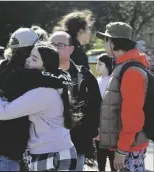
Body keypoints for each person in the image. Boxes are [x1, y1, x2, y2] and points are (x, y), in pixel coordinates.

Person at [0, 42, 77, 171]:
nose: (27, 60)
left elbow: (3, 112)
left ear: (45, 67)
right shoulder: (55, 85)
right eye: (29, 56)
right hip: (62, 150)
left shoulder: (42, 93)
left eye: (34, 59)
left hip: (49, 154)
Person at [97, 22, 149, 171]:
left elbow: (133, 116)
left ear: (112, 43)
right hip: (129, 146)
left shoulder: (131, 71)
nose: (104, 44)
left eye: (106, 40)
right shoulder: (125, 67)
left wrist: (122, 150)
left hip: (129, 149)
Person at [49, 31, 102, 171]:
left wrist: (91, 132)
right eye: (51, 45)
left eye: (60, 45)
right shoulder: (39, 73)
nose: (54, 48)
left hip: (76, 144)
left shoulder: (83, 76)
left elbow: (96, 106)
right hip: (45, 146)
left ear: (71, 49)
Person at [94, 53, 115, 171]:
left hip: (110, 123)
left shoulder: (113, 81)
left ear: (108, 65)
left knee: (112, 155)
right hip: (99, 122)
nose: (97, 66)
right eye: (97, 63)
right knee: (100, 154)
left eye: (100, 64)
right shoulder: (97, 80)